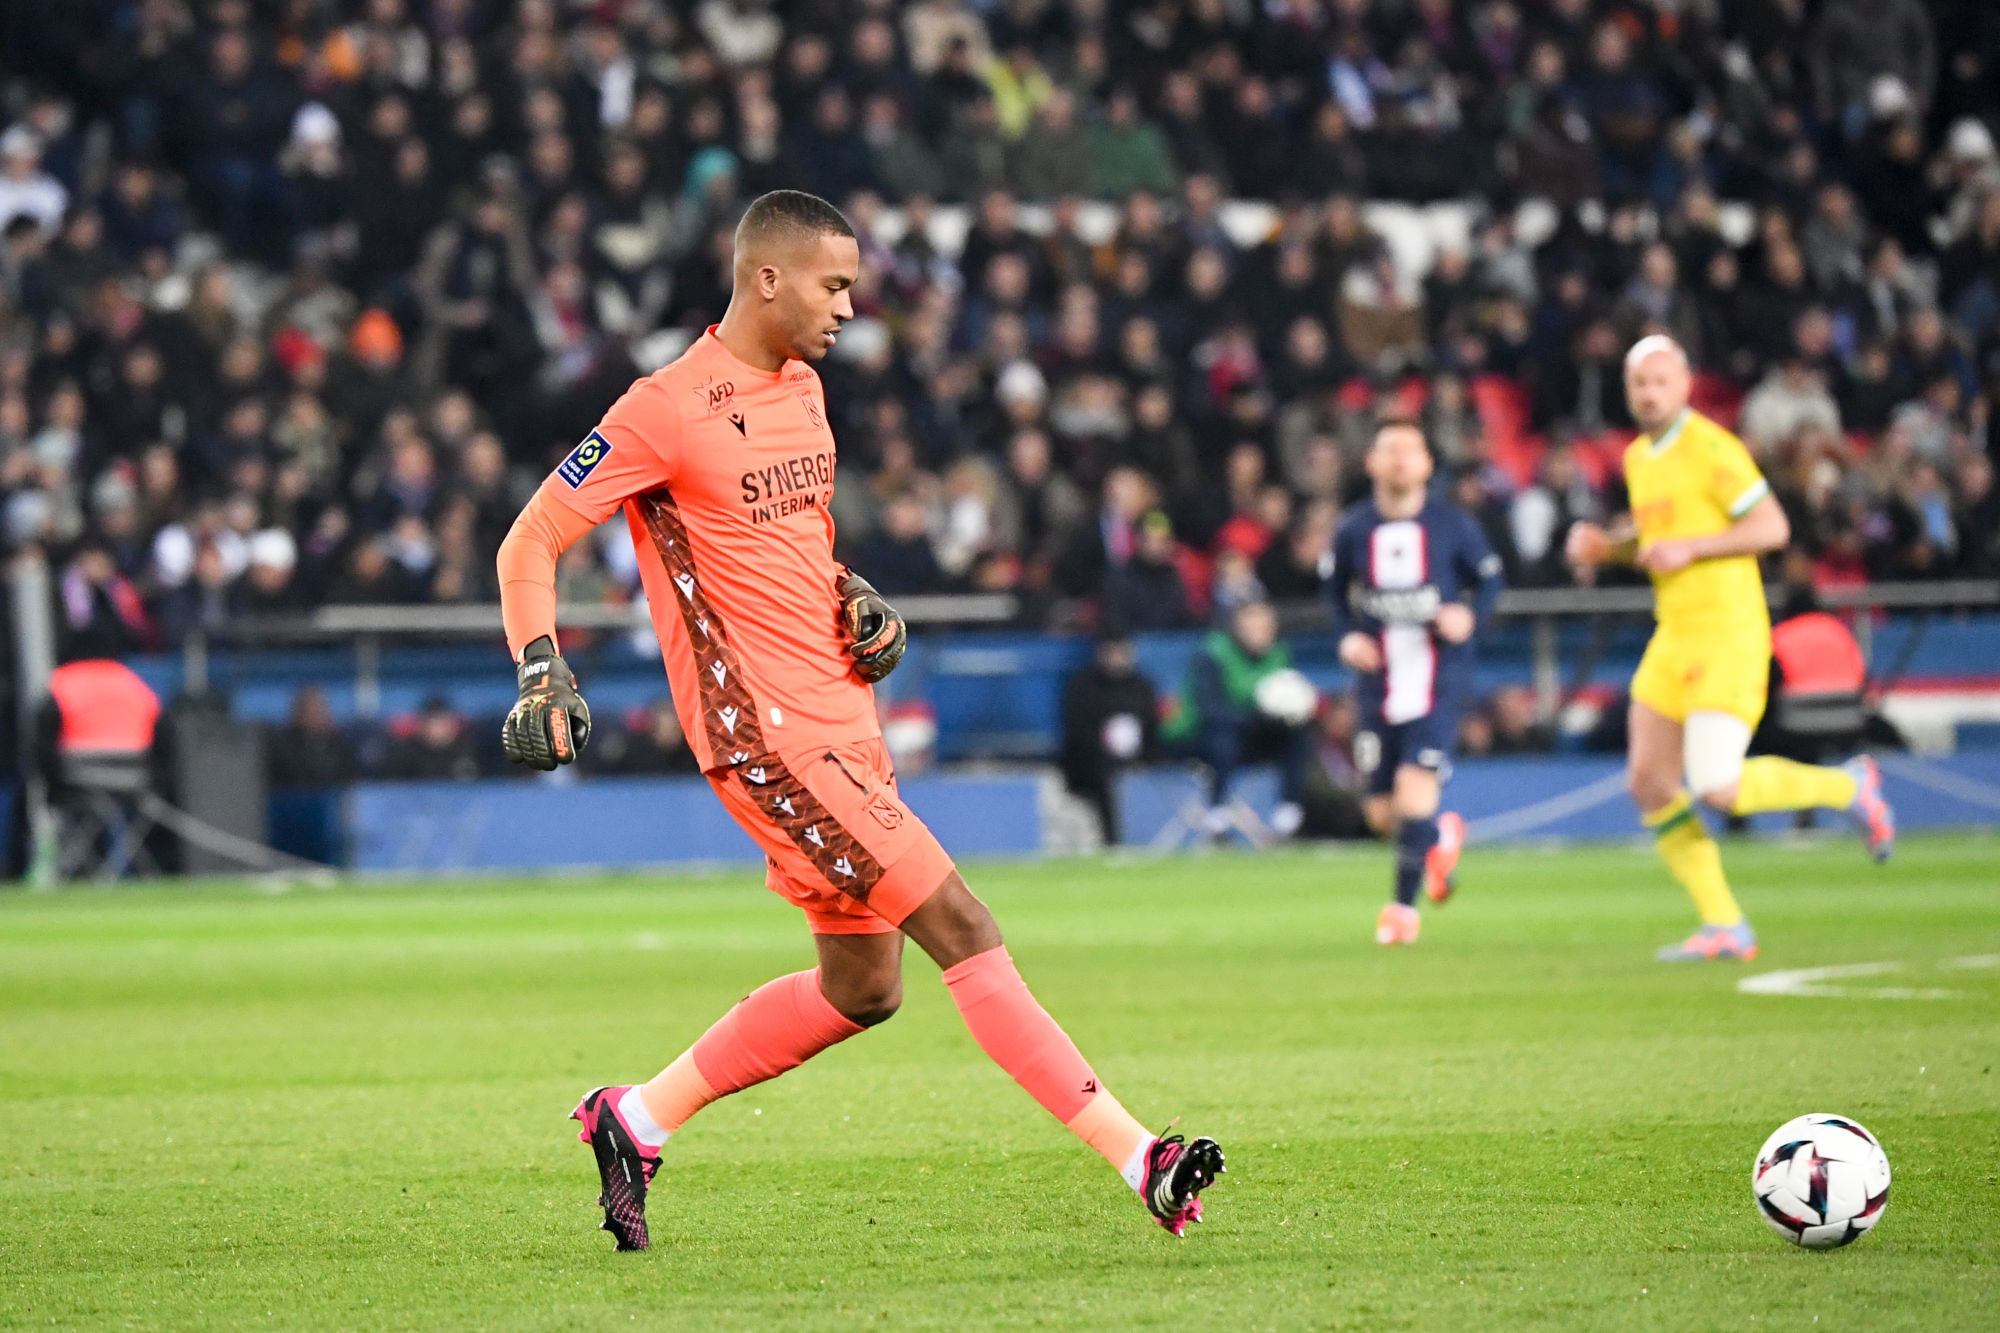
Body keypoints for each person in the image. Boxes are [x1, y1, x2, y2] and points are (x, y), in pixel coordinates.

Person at [492, 190, 1223, 1252]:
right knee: (962, 924)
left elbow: (797, 543)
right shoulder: (664, 408)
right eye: (834, 286)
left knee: (864, 987)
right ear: (768, 278)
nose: (848, 308)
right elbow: (530, 537)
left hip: (845, 716)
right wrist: (539, 667)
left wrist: (856, 599)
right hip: (768, 734)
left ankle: (635, 1117)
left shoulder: (805, 392)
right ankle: (1140, 1157)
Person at [1566, 335, 1895, 963]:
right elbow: (1657, 535)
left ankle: (1848, 786)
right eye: (1640, 383)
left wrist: (1692, 549)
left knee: (1718, 786)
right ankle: (1724, 924)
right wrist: (1606, 548)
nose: (1650, 393)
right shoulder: (1638, 457)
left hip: (1728, 632)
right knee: (1649, 782)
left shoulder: (1713, 448)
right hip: (1674, 633)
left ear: (1686, 384)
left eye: (1661, 381)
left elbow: (1772, 527)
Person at [1328, 421, 1503, 947]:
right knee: (1382, 814)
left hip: (1437, 678)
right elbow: (1333, 590)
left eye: (1411, 450)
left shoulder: (1453, 525)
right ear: (1371, 463)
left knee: (1413, 794)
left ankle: (1402, 911)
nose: (1401, 459)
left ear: (1427, 464)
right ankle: (1441, 837)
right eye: (1390, 450)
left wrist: (1469, 616)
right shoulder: (1353, 529)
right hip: (1377, 685)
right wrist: (1347, 637)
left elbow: (1490, 580)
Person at [1160, 598, 1317, 839]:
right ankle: (1217, 814)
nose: (1259, 634)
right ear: (1237, 626)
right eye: (1252, 626)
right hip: (1195, 735)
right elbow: (1210, 710)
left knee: (1298, 735)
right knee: (1224, 738)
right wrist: (1257, 718)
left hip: (1250, 734)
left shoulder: (1279, 654)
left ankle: (1288, 813)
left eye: (1265, 627)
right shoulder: (1212, 653)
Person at [1058, 623, 1161, 844]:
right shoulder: (1082, 686)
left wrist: (1143, 757)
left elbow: (1152, 727)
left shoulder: (1142, 686)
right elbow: (1078, 731)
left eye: (1122, 651)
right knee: (1106, 778)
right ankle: (1112, 840)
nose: (1117, 657)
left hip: (1137, 761)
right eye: (1112, 651)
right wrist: (1108, 754)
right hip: (1092, 764)